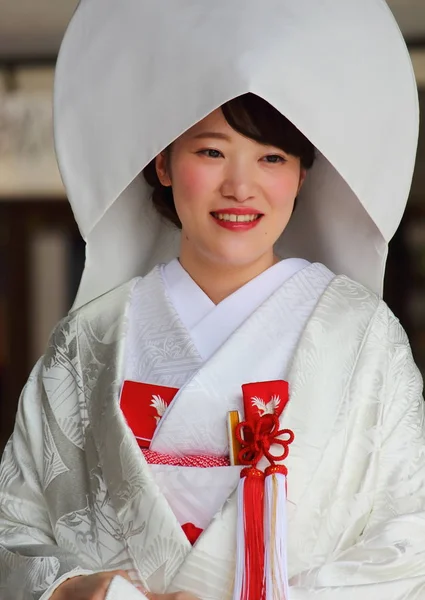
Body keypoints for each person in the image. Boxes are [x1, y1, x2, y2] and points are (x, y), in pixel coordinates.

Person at [0, 1, 423, 599]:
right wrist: (77, 589)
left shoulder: (361, 336)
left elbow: (409, 538)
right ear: (163, 163)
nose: (240, 187)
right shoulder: (91, 338)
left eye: (272, 158)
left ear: (302, 175)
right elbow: (15, 523)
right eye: (210, 151)